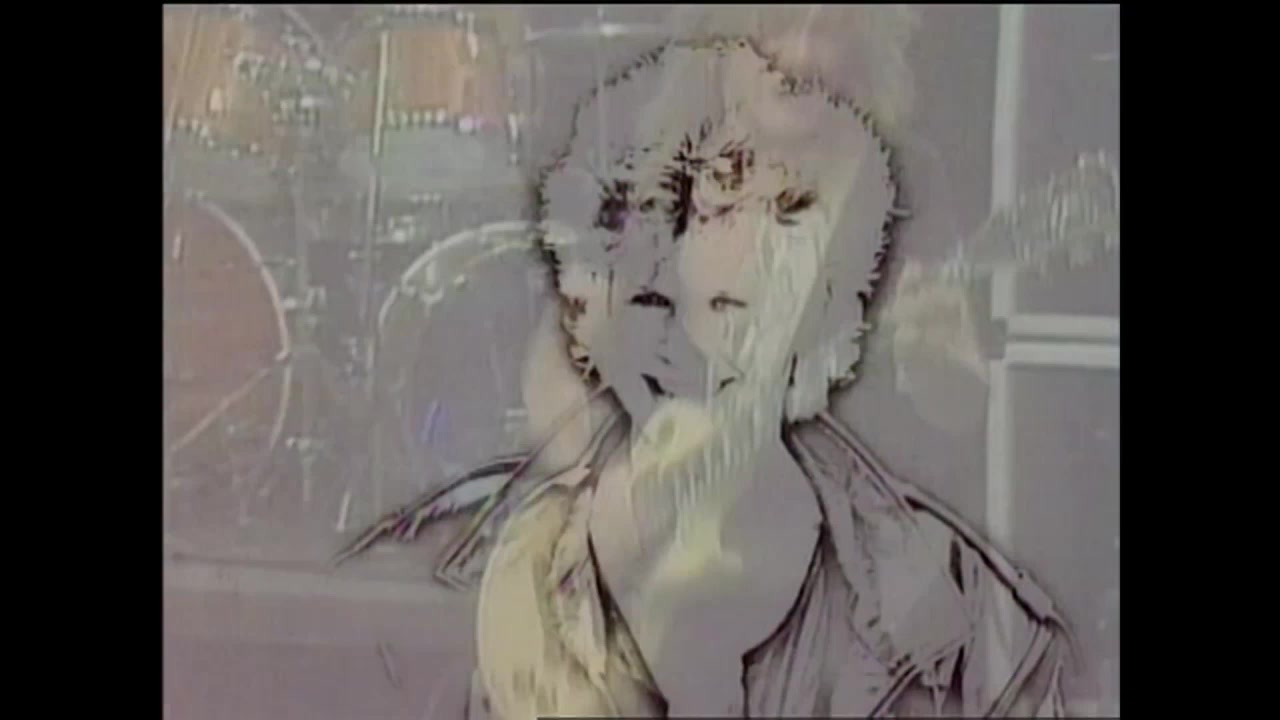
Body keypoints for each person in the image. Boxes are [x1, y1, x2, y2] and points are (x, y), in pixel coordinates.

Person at [337, 36, 1076, 719]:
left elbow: (952, 424)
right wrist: (629, 490)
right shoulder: (664, 156)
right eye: (777, 19)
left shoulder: (902, 180)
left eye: (831, 21)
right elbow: (555, 373)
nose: (803, 47)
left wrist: (943, 375)